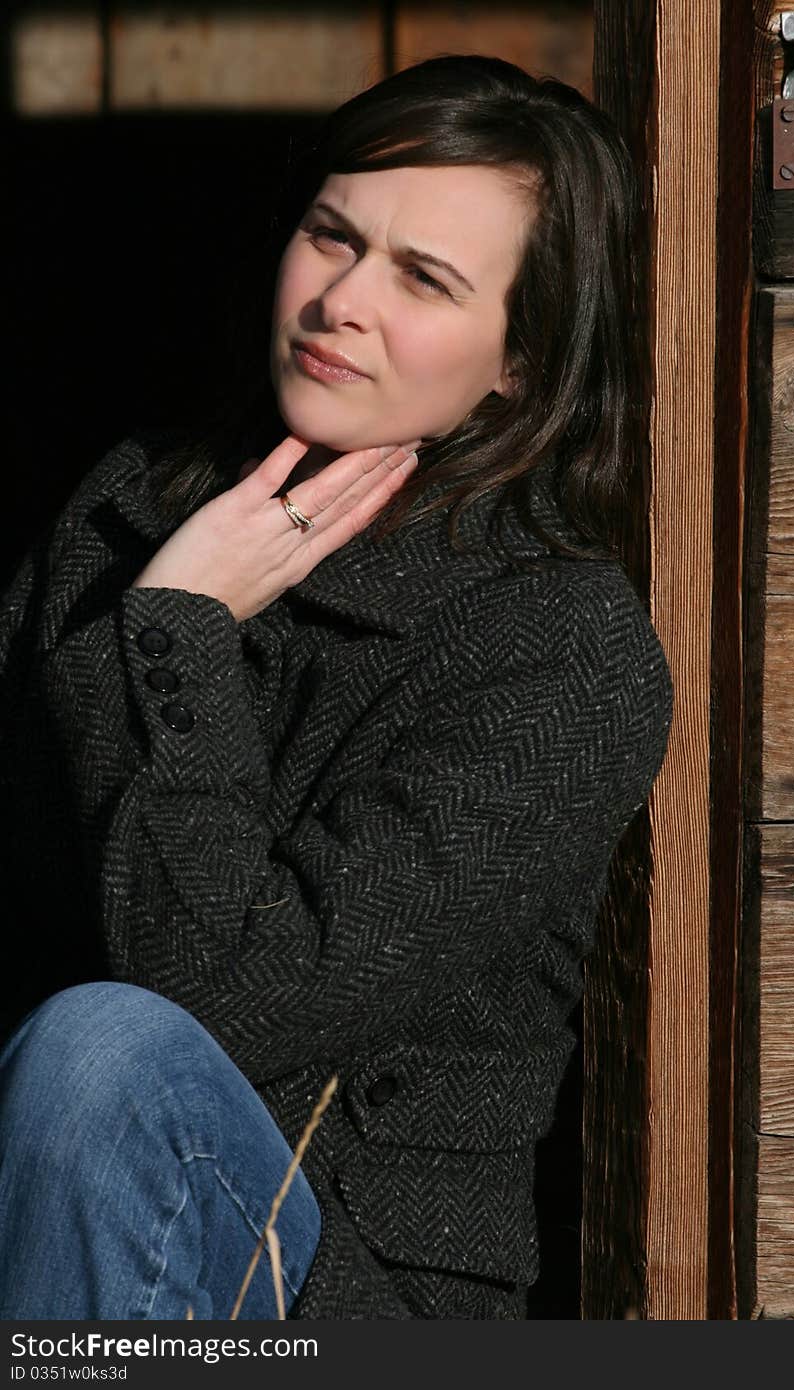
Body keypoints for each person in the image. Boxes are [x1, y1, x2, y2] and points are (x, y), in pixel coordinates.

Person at [0, 53, 673, 1320]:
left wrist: (178, 633)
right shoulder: (130, 504)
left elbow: (220, 1001)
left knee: (109, 1056)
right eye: (330, 236)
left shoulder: (559, 654)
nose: (341, 301)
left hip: (342, 1287)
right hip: (34, 1211)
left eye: (423, 279)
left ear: (519, 360)